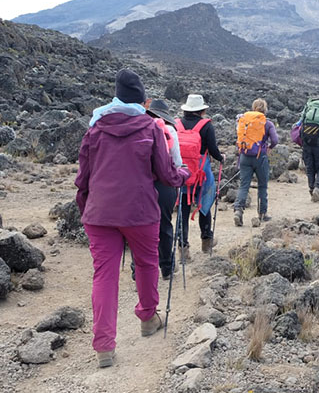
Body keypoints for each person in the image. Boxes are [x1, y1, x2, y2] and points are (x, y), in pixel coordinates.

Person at [75, 69, 189, 368]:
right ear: (140, 100)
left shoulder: (95, 128)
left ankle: (104, 347)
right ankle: (148, 318)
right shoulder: (151, 127)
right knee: (147, 262)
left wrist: (86, 207)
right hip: (139, 211)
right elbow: (165, 173)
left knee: (104, 276)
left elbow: (83, 178)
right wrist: (183, 175)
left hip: (99, 214)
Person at [131, 99, 182, 281]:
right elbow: (176, 162)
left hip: (138, 184)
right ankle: (167, 268)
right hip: (164, 185)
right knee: (165, 225)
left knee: (138, 227)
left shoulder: (135, 127)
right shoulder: (170, 131)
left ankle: (136, 270)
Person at [175, 94, 224, 257]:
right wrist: (221, 158)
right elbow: (213, 149)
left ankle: (183, 248)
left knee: (183, 208)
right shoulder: (207, 126)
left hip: (182, 172)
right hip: (202, 172)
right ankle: (206, 241)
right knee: (204, 204)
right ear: (202, 110)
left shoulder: (177, 125)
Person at [233, 98, 279, 226]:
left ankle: (238, 210)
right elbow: (275, 140)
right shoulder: (267, 123)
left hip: (244, 156)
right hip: (260, 157)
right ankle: (262, 213)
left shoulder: (245, 121)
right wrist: (269, 148)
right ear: (265, 109)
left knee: (244, 185)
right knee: (262, 185)